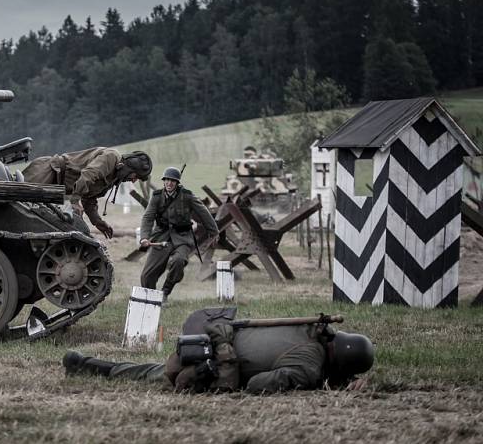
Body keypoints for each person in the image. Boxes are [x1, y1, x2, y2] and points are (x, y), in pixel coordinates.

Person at [62, 309, 374, 394]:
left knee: (149, 370)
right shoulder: (310, 368)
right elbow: (256, 386)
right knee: (152, 374)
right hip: (217, 359)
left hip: (216, 341)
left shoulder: (312, 330)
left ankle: (88, 364)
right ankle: (88, 365)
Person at [22, 147, 152, 239]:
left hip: (57, 185)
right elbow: (88, 175)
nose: (133, 180)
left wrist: (97, 221)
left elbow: (89, 199)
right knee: (18, 206)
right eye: (135, 176)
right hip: (47, 171)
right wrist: (74, 201)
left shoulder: (113, 178)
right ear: (129, 168)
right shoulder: (112, 157)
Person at [139, 167, 218, 301]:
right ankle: (151, 297)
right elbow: (148, 217)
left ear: (177, 183)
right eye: (167, 180)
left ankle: (165, 292)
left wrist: (214, 232)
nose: (169, 183)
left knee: (179, 261)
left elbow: (203, 212)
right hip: (161, 237)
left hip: (182, 238)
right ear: (164, 181)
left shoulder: (187, 196)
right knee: (146, 275)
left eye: (173, 181)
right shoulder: (157, 196)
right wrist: (144, 237)